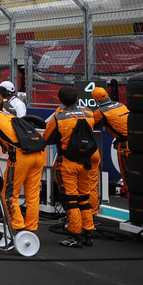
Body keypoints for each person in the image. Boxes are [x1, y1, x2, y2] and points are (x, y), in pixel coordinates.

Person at [44, 85, 100, 248]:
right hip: (86, 161)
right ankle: (88, 233)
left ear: (59, 100)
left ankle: (75, 236)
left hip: (67, 162)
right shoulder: (89, 113)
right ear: (77, 99)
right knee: (84, 197)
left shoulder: (59, 117)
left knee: (71, 200)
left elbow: (47, 138)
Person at [0, 94, 41, 233]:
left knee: (9, 195)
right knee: (32, 195)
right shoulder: (11, 116)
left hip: (20, 157)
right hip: (37, 155)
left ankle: (18, 227)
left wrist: (0, 142)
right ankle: (31, 229)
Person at [91, 85, 130, 197]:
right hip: (136, 140)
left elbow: (92, 125)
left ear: (95, 100)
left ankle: (133, 206)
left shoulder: (100, 112)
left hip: (125, 146)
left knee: (128, 177)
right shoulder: (120, 104)